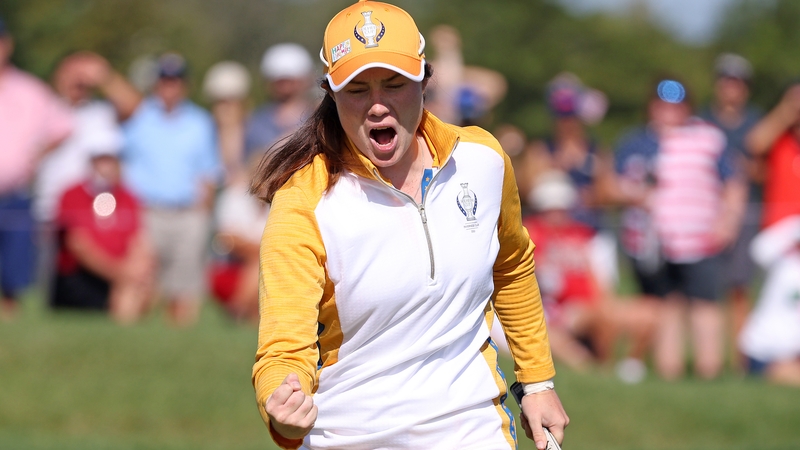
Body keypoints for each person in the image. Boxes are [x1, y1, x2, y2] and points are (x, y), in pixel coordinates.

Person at [250, 1, 568, 449]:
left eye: (395, 84)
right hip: (349, 437)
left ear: (424, 82)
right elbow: (284, 346)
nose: (378, 105)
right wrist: (281, 405)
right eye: (357, 90)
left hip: (473, 430)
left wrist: (537, 382)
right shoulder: (303, 199)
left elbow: (512, 266)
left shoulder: (484, 159)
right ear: (330, 94)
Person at [614, 78, 746, 381]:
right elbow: (611, 183)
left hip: (699, 237)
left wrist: (728, 221)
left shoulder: (706, 138)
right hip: (653, 240)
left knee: (705, 305)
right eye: (662, 106)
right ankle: (669, 373)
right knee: (666, 306)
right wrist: (635, 194)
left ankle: (709, 374)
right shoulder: (634, 142)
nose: (668, 113)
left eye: (676, 106)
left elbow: (733, 181)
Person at [79, 52, 222, 326]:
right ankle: (123, 335)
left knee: (184, 288)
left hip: (187, 213)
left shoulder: (200, 122)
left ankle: (179, 344)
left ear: (184, 85)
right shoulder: (141, 115)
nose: (170, 87)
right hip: (145, 212)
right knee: (137, 278)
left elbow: (208, 174)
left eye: (175, 81)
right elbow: (123, 100)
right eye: (165, 81)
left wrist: (204, 214)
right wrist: (102, 73)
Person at [523, 171, 656, 378]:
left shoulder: (584, 234)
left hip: (591, 303)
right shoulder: (531, 233)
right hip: (558, 308)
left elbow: (600, 277)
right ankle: (605, 369)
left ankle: (630, 368)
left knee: (649, 312)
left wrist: (604, 300)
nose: (556, 214)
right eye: (551, 208)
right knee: (601, 315)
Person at [0, 16, 74, 318]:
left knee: (12, 275)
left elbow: (63, 127)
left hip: (15, 194)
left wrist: (36, 155)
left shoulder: (30, 90)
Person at [34, 52, 126, 291]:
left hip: (90, 209)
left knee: (86, 280)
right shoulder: (44, 107)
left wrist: (104, 76)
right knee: (46, 280)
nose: (78, 84)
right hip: (49, 206)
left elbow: (134, 107)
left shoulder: (100, 113)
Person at [699, 53, 763, 369]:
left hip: (745, 214)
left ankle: (741, 361)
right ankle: (711, 360)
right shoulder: (701, 120)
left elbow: (765, 170)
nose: (730, 87)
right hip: (705, 213)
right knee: (707, 292)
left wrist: (744, 170)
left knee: (739, 288)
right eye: (725, 80)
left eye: (736, 82)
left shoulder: (756, 122)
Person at [51, 147, 154, 324]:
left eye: (111, 160)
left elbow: (138, 241)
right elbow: (78, 246)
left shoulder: (128, 196)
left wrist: (137, 273)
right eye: (101, 160)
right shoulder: (71, 194)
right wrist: (119, 274)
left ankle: (125, 327)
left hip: (118, 276)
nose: (106, 167)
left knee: (142, 285)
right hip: (81, 277)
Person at [244, 43, 315, 162]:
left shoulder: (321, 117)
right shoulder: (256, 122)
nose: (285, 86)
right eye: (280, 81)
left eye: (290, 80)